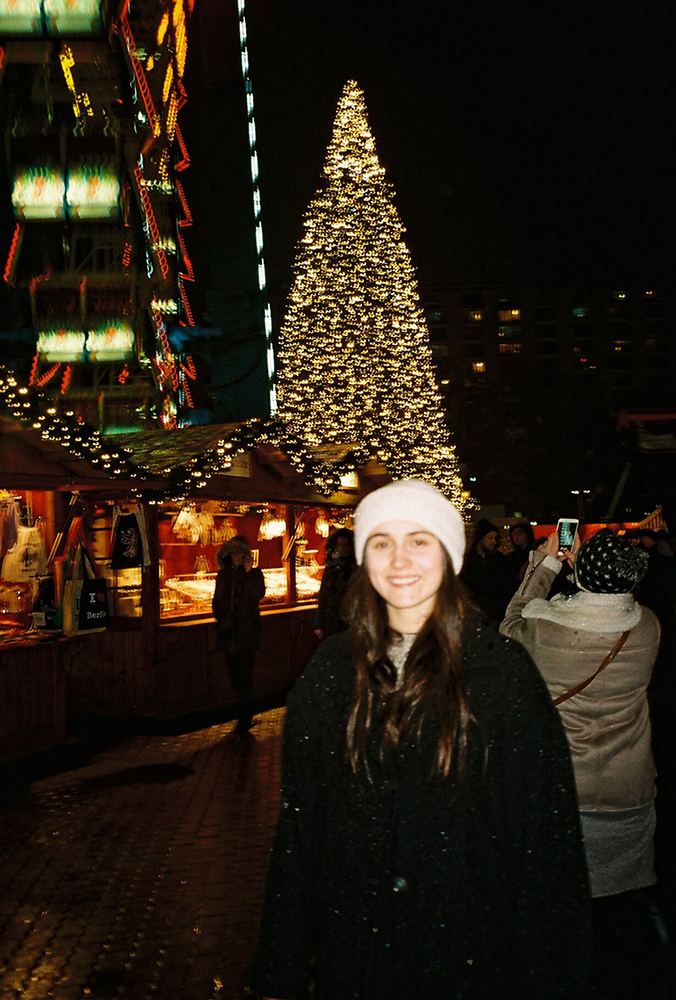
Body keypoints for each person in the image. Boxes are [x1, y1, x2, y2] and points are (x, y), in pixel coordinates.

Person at [250, 479, 590, 1000]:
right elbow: (300, 829)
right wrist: (282, 966)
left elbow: (545, 839)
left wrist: (554, 974)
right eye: (382, 542)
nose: (399, 559)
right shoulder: (331, 672)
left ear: (449, 556)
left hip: (470, 953)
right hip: (356, 953)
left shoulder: (501, 673)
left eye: (419, 540)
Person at [500, 529, 676, 998]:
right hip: (627, 787)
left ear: (583, 573)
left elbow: (511, 621)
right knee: (630, 897)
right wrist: (586, 569)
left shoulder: (546, 630)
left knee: (561, 896)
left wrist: (548, 564)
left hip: (565, 791)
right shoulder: (648, 626)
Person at [212, 535, 266, 734]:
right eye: (233, 553)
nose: (236, 557)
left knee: (244, 674)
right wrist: (221, 619)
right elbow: (216, 600)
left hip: (246, 632)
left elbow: (258, 594)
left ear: (246, 556)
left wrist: (249, 572)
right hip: (228, 633)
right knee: (234, 675)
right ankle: (245, 710)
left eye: (240, 554)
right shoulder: (223, 575)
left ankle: (245, 717)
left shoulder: (254, 574)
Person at [460, 518, 510, 625]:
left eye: (495, 538)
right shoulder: (469, 560)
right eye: (490, 538)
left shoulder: (499, 559)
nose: (493, 542)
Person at [313, 528, 356, 641]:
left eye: (346, 545)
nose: (343, 549)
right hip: (331, 620)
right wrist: (318, 623)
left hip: (350, 621)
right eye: (340, 546)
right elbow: (323, 595)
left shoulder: (357, 568)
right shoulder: (331, 567)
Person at [504, 521, 535, 591]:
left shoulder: (534, 553)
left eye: (519, 533)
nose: (515, 536)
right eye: (513, 533)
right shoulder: (510, 557)